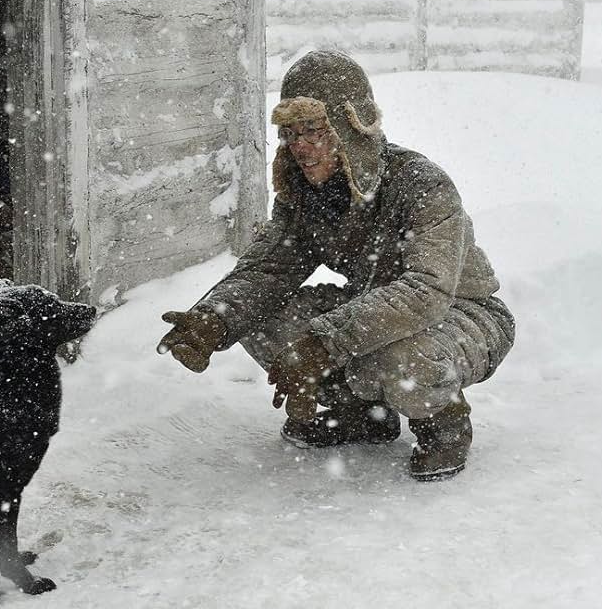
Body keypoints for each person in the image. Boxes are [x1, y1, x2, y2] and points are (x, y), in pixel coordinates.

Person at [157, 50, 515, 481]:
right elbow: (268, 271)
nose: (299, 146)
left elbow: (426, 293)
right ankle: (366, 415)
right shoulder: (304, 194)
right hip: (373, 305)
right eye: (290, 133)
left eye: (313, 129)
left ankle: (444, 424)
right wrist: (215, 319)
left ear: (351, 127)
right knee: (264, 318)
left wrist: (322, 346)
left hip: (461, 312)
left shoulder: (422, 183)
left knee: (398, 353)